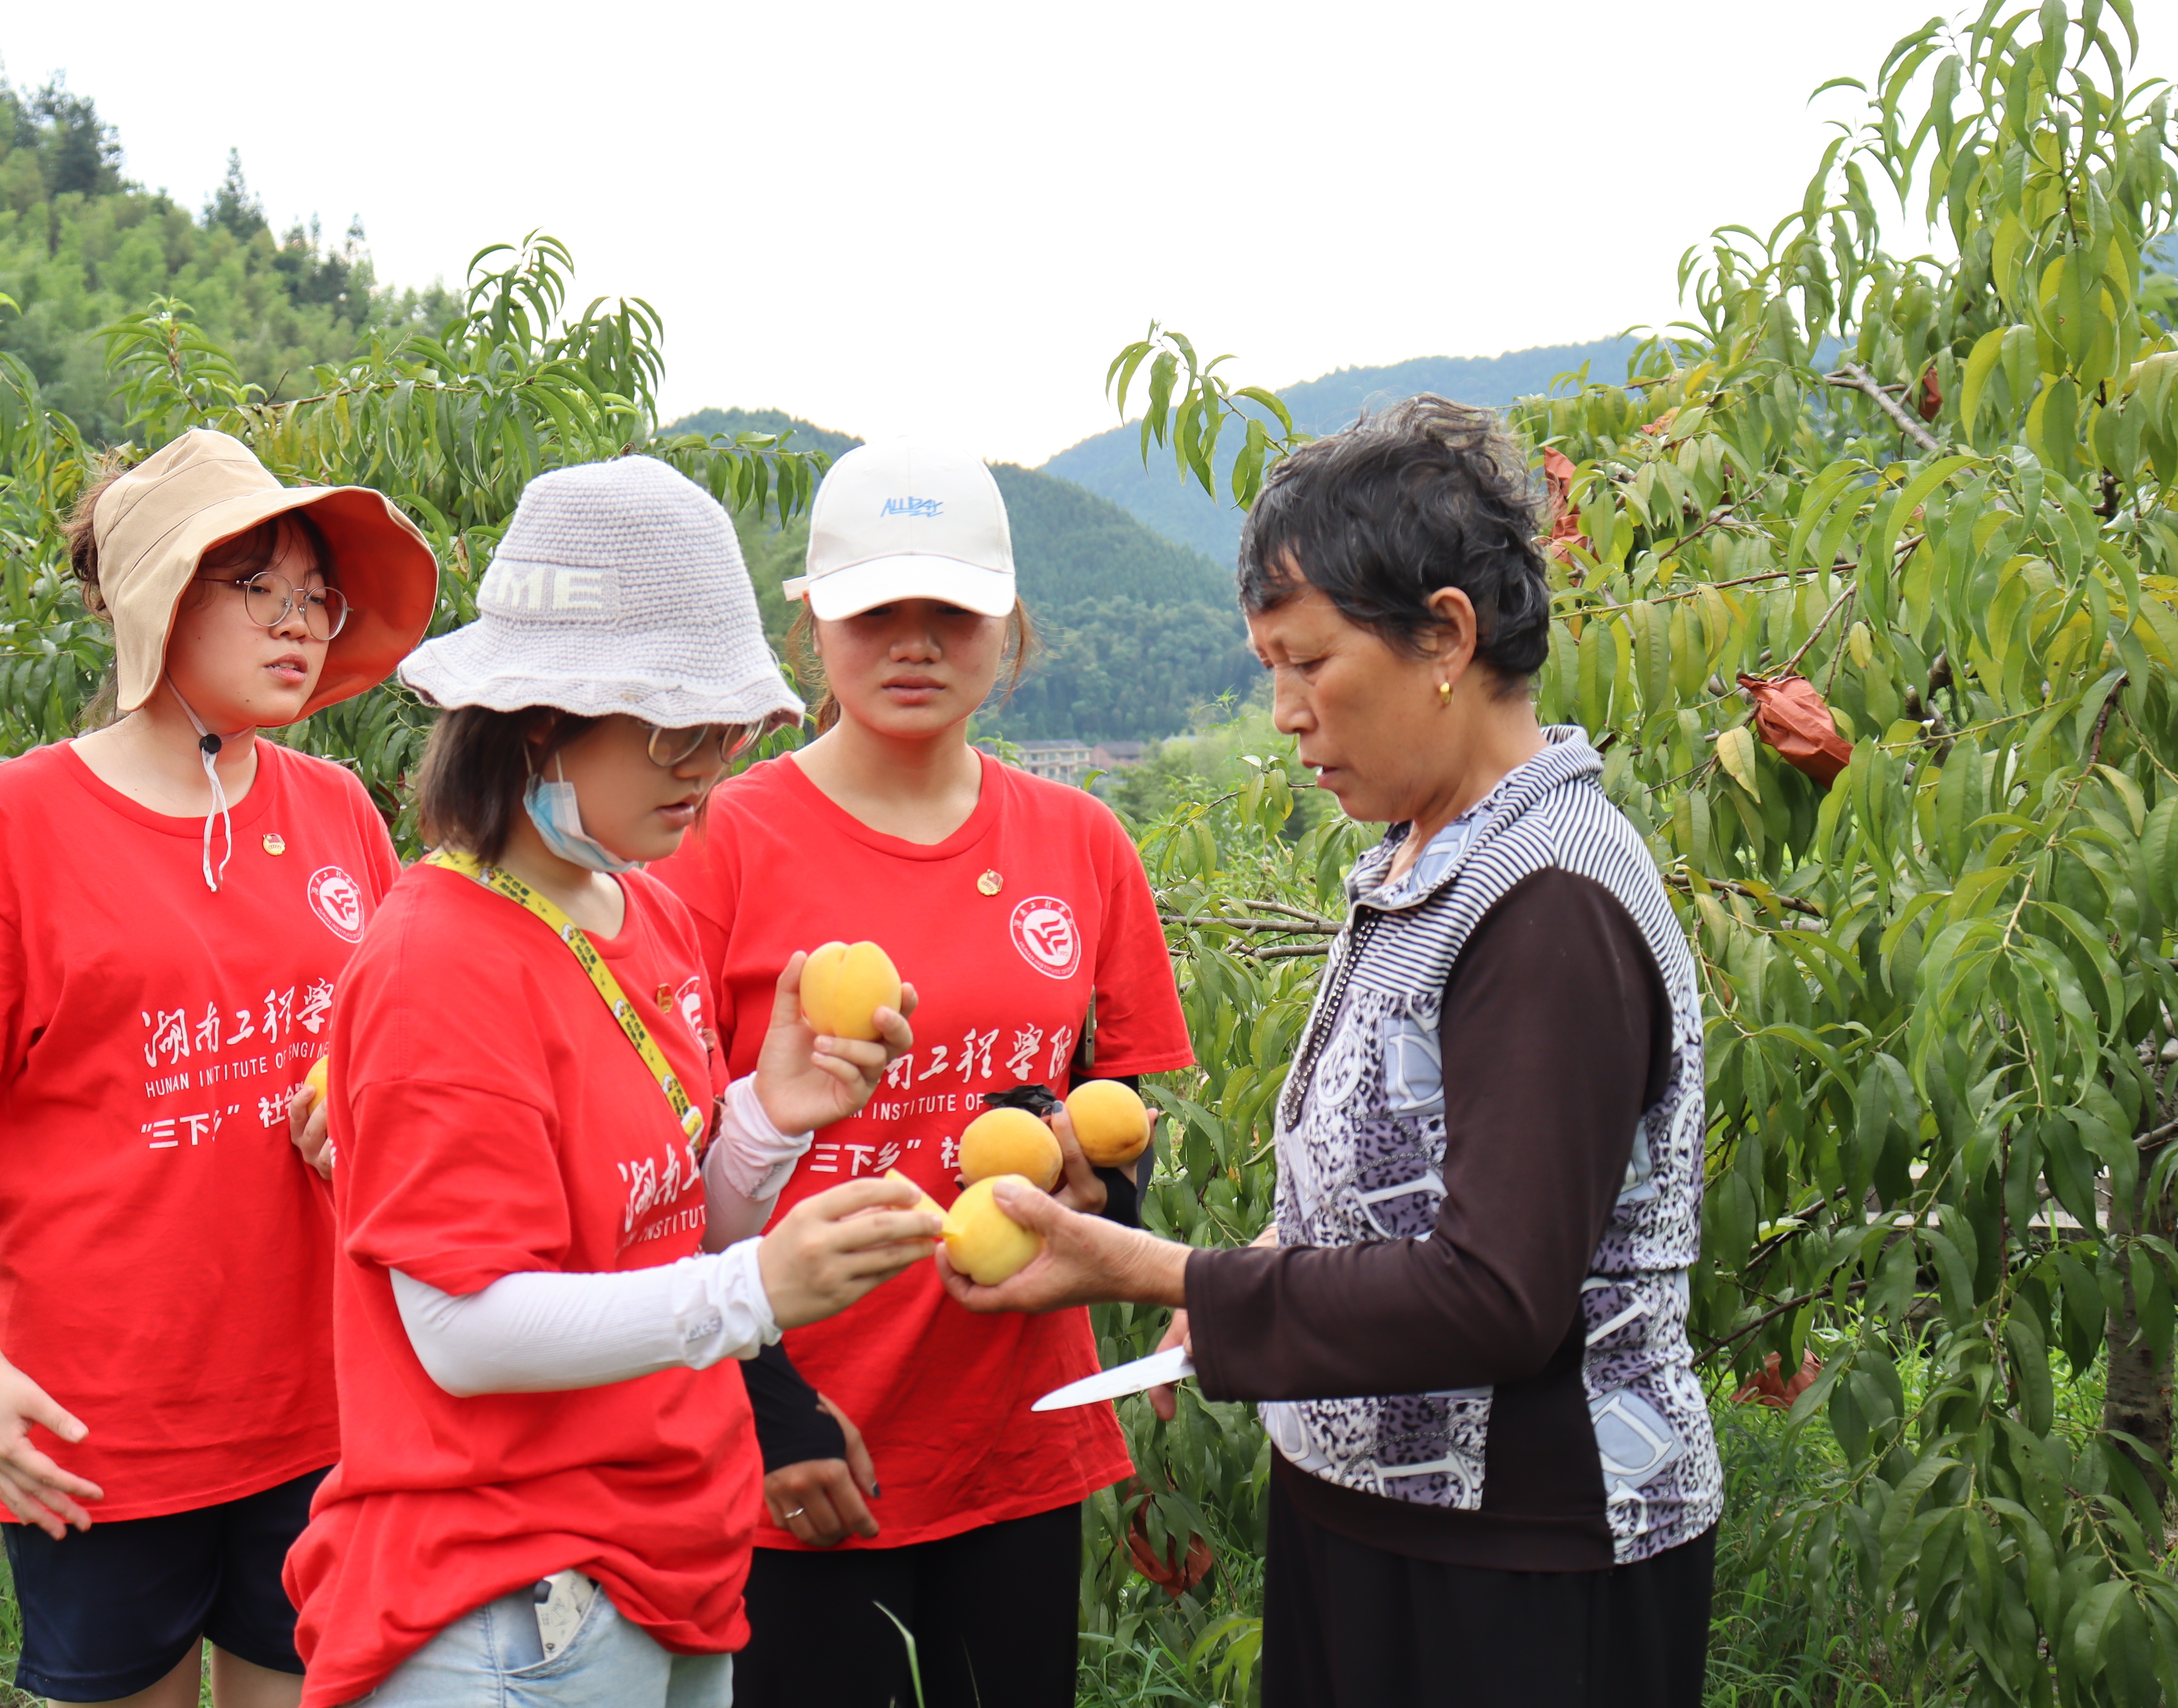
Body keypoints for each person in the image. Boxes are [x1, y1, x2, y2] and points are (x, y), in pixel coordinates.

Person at [938, 397, 1721, 1708]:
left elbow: (1500, 1296)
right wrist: (1236, 1325)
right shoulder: (1429, 859)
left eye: (1309, 663)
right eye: (1269, 671)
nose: (1288, 713)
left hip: (1518, 1566)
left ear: (1447, 639)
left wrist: (1175, 1278)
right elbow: (1380, 1195)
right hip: (1384, 1523)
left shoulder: (1550, 906)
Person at [284, 454, 944, 1708]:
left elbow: (660, 1225)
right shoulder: (440, 961)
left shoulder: (639, 911)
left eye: (724, 737)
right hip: (509, 1602)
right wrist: (756, 1292)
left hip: (666, 1558)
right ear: (541, 721)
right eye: (674, 736)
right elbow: (462, 1334)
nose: (707, 771)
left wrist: (768, 1114)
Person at [0, 429, 440, 1708]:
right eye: (261, 589)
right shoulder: (22, 821)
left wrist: (358, 1098)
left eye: (317, 598)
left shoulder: (337, 811)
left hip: (321, 1401)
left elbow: (392, 1043)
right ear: (162, 593)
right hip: (101, 1421)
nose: (302, 624)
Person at [653, 439, 1194, 1708]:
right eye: (873, 612)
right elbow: (651, 1170)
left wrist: (1095, 1191)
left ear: (1007, 626)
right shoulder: (719, 842)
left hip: (1013, 1440)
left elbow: (1124, 1137)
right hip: (799, 1450)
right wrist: (765, 1409)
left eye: (948, 613)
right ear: (812, 627)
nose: (913, 642)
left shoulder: (1081, 841)